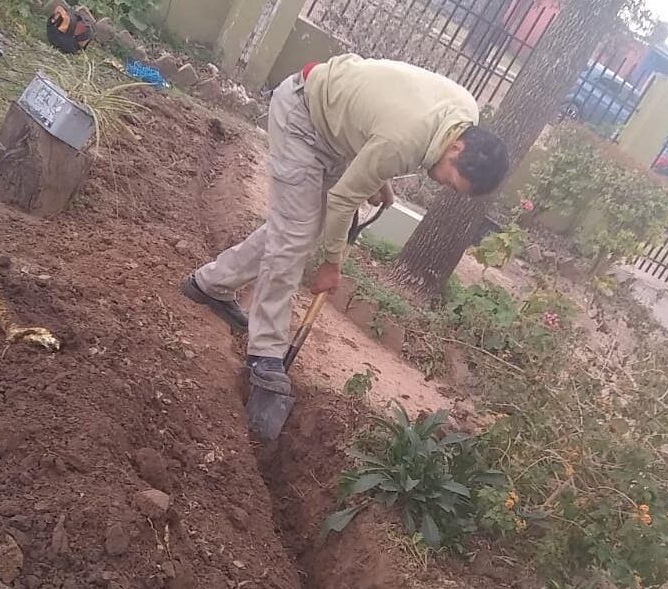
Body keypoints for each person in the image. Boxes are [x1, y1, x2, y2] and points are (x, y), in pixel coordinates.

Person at [183, 54, 509, 391]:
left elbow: (384, 115)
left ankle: (210, 285)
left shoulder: (463, 115)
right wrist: (331, 264)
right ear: (456, 148)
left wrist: (378, 176)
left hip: (335, 130)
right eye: (451, 181)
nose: (444, 186)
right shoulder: (402, 143)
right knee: (295, 235)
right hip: (303, 116)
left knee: (297, 229)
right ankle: (264, 354)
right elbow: (344, 199)